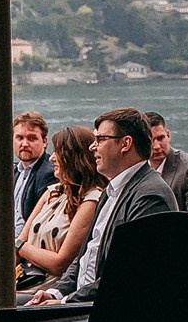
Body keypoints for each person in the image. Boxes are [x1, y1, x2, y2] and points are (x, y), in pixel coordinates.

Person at [31, 108, 175, 305]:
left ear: (125, 144)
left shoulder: (150, 196)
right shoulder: (111, 191)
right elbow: (84, 256)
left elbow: (125, 276)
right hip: (82, 303)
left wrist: (65, 302)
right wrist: (55, 292)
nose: (93, 147)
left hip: (105, 312)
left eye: (100, 140)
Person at [13, 124, 103, 298]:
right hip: (25, 278)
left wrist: (21, 248)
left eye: (59, 153)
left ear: (74, 159)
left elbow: (60, 264)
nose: (52, 158)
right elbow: (21, 239)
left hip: (50, 287)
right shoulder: (52, 191)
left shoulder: (91, 201)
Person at [147, 111, 188, 211]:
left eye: (161, 138)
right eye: (151, 141)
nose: (156, 146)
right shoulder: (137, 165)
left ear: (168, 135)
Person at [9, 111, 54, 243]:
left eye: (32, 138)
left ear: (44, 142)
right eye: (19, 138)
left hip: (28, 250)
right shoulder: (15, 171)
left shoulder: (48, 174)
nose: (24, 144)